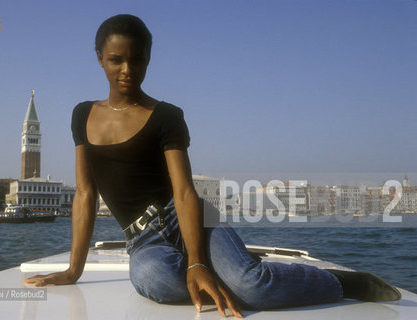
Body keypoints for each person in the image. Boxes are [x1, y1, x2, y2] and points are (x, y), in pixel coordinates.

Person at [25, 14, 401, 317]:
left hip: (189, 218)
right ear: (99, 59)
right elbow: (85, 196)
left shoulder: (166, 116)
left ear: (148, 59)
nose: (127, 69)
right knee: (159, 283)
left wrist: (195, 261)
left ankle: (339, 282)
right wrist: (73, 271)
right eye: (116, 59)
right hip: (142, 241)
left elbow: (185, 191)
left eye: (136, 59)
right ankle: (230, 265)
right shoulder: (81, 115)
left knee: (252, 287)